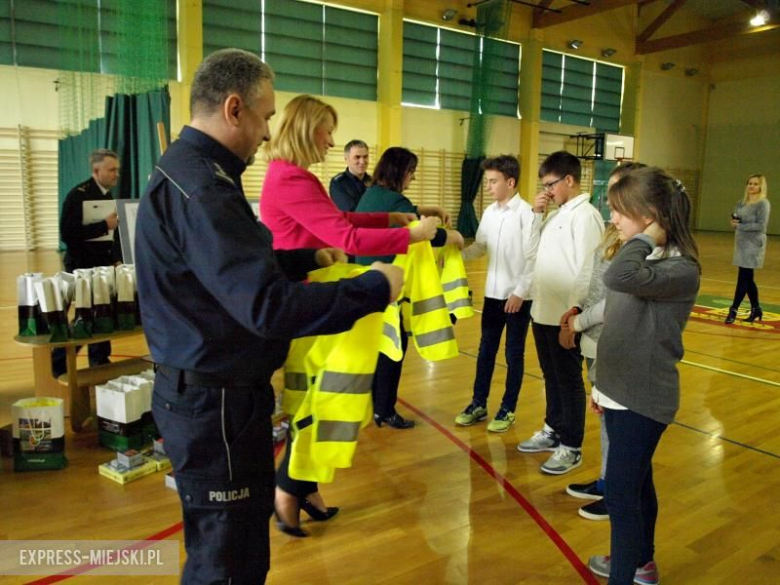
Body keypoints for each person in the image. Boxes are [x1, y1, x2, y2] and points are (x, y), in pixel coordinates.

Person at [133, 49, 402, 584]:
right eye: (265, 115)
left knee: (229, 543)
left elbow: (217, 270)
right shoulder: (206, 188)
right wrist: (373, 288)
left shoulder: (195, 171)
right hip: (217, 404)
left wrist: (302, 258)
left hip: (215, 397)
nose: (266, 130)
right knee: (230, 561)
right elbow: (266, 307)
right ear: (235, 109)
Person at [260, 96, 442, 539]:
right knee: (325, 402)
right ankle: (289, 487)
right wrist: (412, 232)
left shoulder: (292, 175)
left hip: (312, 298)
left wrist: (391, 216)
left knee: (322, 400)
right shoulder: (290, 178)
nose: (332, 141)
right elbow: (343, 233)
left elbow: (338, 217)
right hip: (311, 303)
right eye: (327, 131)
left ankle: (304, 487)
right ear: (307, 131)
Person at [587, 167, 700, 585]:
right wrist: (602, 384)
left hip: (644, 400)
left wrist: (648, 236)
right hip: (619, 391)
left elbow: (617, 275)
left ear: (651, 215)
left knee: (619, 493)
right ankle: (641, 562)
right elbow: (617, 315)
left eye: (620, 211)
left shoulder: (679, 270)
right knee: (637, 483)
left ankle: (625, 573)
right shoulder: (645, 258)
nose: (612, 219)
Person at [355, 146, 464, 430]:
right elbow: (425, 234)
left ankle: (373, 404)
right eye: (412, 172)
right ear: (401, 172)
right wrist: (453, 237)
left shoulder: (371, 194)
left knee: (378, 348)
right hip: (386, 285)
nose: (413, 178)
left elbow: (405, 213)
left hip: (363, 280)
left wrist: (430, 209)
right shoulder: (395, 199)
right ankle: (385, 410)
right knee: (394, 348)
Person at [563, 162, 646, 521]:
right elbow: (591, 274)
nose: (611, 211)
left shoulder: (642, 249)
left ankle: (616, 493)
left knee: (618, 424)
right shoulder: (614, 233)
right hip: (594, 337)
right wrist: (577, 307)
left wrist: (579, 322)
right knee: (605, 419)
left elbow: (617, 303)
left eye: (618, 200)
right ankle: (606, 479)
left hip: (611, 340)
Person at [517, 150, 604, 475]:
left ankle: (572, 446)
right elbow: (530, 254)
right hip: (542, 311)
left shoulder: (586, 216)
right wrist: (536, 216)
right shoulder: (555, 214)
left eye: (551, 184)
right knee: (550, 376)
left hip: (564, 316)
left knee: (568, 381)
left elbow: (589, 270)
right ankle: (553, 429)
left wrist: (575, 315)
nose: (546, 191)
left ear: (569, 180)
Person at [454, 154, 540, 433]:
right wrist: (454, 257)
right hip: (492, 296)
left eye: (493, 181)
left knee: (514, 355)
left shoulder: (528, 214)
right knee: (485, 351)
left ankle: (508, 408)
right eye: (488, 181)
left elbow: (533, 258)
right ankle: (478, 403)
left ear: (510, 182)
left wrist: (519, 292)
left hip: (518, 298)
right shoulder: (490, 213)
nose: (488, 186)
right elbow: (480, 246)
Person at [53, 149, 123, 377]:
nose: (116, 174)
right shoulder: (78, 195)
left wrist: (114, 259)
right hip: (82, 266)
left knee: (103, 316)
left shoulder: (106, 195)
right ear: (96, 171)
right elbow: (68, 234)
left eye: (117, 169)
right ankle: (57, 363)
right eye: (112, 170)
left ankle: (100, 363)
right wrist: (104, 225)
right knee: (87, 318)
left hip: (101, 265)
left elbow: (108, 237)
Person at [725, 174, 770, 324]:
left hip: (754, 244)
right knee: (747, 277)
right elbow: (737, 219)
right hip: (741, 243)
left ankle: (734, 309)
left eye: (755, 184)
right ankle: (756, 308)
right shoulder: (741, 202)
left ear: (760, 186)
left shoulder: (763, 204)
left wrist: (741, 226)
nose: (751, 186)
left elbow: (761, 226)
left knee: (743, 277)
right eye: (750, 183)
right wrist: (734, 222)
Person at [329, 139, 372, 212]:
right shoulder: (338, 183)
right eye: (357, 157)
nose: (362, 162)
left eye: (365, 157)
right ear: (346, 159)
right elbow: (350, 212)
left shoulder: (374, 182)